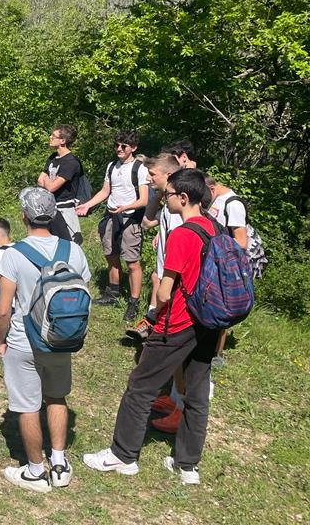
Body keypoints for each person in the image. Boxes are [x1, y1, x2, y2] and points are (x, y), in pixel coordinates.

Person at [84, 169, 218, 486]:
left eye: (167, 193)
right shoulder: (215, 228)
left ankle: (123, 456)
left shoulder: (184, 234)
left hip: (180, 322)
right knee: (197, 394)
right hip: (209, 322)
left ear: (183, 198)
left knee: (141, 386)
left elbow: (165, 290)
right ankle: (187, 467)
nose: (163, 197)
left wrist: (155, 314)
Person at [0, 187, 90, 493]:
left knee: (26, 406)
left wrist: (1, 341)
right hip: (60, 338)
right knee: (57, 397)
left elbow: (2, 309)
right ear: (53, 214)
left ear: (24, 216)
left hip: (25, 339)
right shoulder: (72, 250)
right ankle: (59, 464)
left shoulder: (14, 254)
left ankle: (35, 471)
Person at [76, 130, 149, 322]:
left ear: (133, 148)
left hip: (130, 220)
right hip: (110, 217)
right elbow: (105, 191)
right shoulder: (111, 166)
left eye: (123, 146)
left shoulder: (140, 169)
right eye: (116, 145)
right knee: (111, 256)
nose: (119, 149)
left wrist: (126, 207)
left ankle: (133, 303)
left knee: (132, 262)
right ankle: (113, 294)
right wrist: (88, 204)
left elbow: (143, 200)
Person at [127, 153, 183, 340]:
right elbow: (147, 221)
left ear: (168, 175)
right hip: (165, 273)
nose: (147, 178)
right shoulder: (168, 203)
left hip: (173, 277)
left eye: (152, 174)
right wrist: (160, 193)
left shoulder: (178, 208)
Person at [205, 175, 249, 369]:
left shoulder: (233, 204)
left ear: (212, 188)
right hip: (210, 259)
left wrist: (218, 247)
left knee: (221, 307)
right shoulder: (214, 199)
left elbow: (241, 241)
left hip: (224, 263)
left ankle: (217, 353)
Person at [38, 124, 84, 244]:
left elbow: (52, 187)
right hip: (49, 209)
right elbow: (40, 180)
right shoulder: (53, 157)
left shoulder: (71, 162)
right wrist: (49, 181)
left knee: (69, 245)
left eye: (53, 136)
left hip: (65, 211)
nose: (50, 137)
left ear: (63, 140)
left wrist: (47, 180)